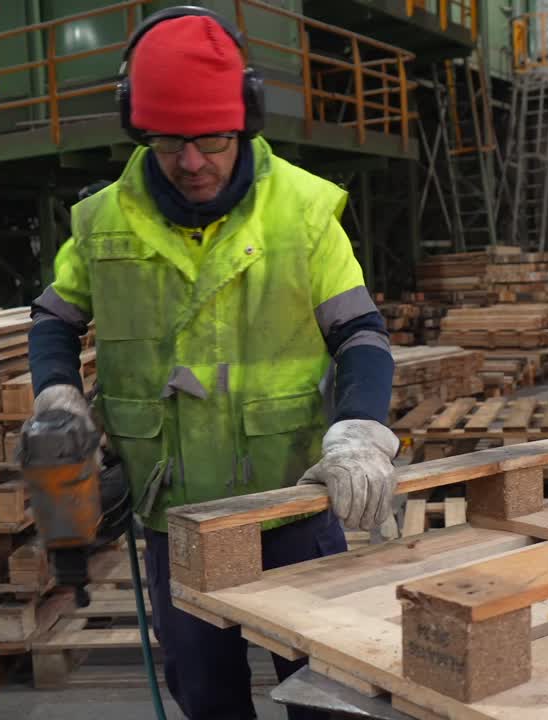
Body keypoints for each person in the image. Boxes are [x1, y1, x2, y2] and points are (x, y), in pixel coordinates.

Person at [24, 7, 398, 719]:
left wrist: (359, 432)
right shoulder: (103, 221)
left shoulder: (304, 212)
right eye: (169, 142)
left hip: (293, 506)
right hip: (178, 517)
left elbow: (361, 337)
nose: (192, 162)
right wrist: (57, 399)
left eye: (213, 141)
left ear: (246, 122)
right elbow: (54, 320)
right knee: (207, 699)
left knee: (329, 695)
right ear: (139, 128)